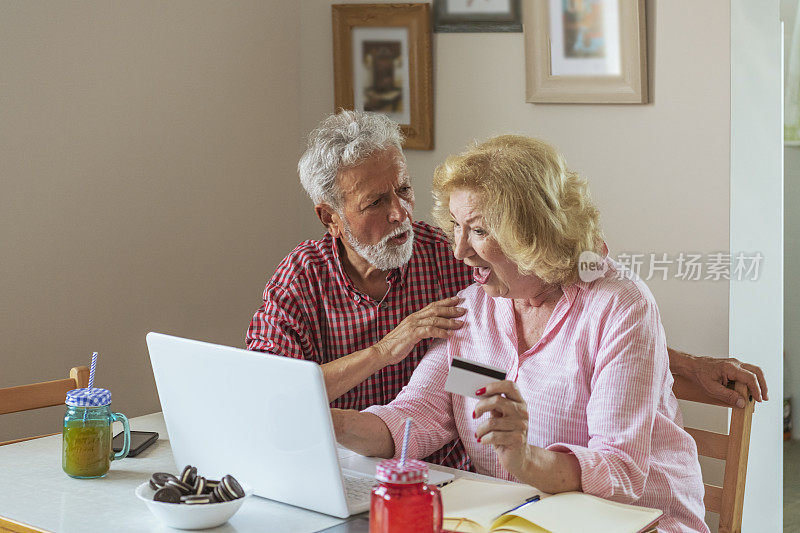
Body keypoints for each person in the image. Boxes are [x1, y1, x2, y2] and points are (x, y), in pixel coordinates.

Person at [246, 111, 767, 471]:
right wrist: (380, 358)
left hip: (482, 484)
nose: (402, 214)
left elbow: (586, 323)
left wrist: (688, 365)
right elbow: (270, 395)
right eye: (376, 202)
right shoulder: (303, 280)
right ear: (330, 218)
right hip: (394, 476)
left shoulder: (452, 262)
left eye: (403, 190)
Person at [332, 135, 711, 531]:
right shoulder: (472, 313)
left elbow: (619, 472)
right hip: (522, 520)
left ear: (532, 233)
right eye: (457, 227)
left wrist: (525, 458)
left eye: (478, 231)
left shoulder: (619, 306)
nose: (460, 251)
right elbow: (414, 419)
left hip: (641, 522)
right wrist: (334, 424)